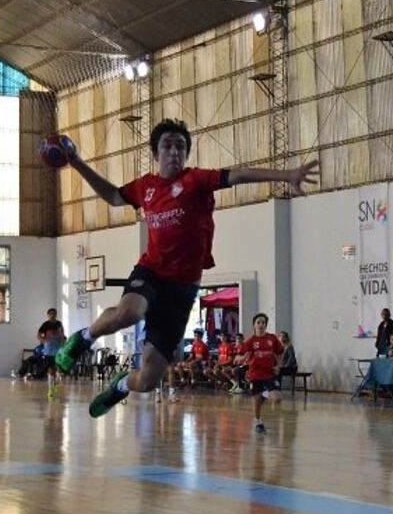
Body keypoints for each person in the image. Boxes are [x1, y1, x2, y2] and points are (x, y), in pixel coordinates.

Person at [51, 119, 318, 416]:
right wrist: (76, 163)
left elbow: (239, 174)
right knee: (131, 311)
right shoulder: (145, 187)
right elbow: (113, 196)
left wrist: (287, 175)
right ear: (156, 153)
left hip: (182, 289)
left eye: (181, 146)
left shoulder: (195, 181)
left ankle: (121, 386)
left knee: (149, 379)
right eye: (167, 145)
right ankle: (83, 338)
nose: (174, 151)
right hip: (151, 271)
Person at [244, 313, 283, 435]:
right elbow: (242, 354)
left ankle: (264, 394)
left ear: (266, 325)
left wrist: (278, 365)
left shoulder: (272, 338)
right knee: (256, 401)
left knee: (277, 399)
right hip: (255, 374)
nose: (261, 325)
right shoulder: (250, 341)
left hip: (269, 374)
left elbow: (280, 352)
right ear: (254, 325)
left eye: (263, 323)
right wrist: (241, 358)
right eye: (258, 322)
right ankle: (258, 422)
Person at [37, 308, 65, 397]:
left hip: (58, 350)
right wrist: (43, 341)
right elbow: (38, 335)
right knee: (50, 370)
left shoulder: (59, 324)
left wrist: (63, 343)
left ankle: (56, 384)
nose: (53, 315)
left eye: (54, 313)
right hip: (49, 351)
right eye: (51, 314)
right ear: (48, 315)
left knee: (57, 370)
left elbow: (62, 334)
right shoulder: (45, 325)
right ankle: (50, 390)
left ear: (56, 315)